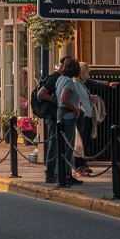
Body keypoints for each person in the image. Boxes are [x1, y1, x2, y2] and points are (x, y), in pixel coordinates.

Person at [36, 57, 69, 184]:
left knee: (58, 145)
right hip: (52, 116)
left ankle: (57, 172)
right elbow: (41, 94)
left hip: (57, 116)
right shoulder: (54, 77)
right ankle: (50, 173)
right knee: (54, 145)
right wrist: (55, 100)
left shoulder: (61, 78)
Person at [54, 58, 84, 187]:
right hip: (68, 115)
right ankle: (66, 175)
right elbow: (64, 98)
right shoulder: (69, 82)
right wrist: (75, 109)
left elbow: (57, 98)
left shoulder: (60, 79)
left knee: (62, 146)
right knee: (68, 146)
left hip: (60, 113)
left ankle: (62, 173)